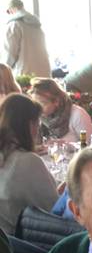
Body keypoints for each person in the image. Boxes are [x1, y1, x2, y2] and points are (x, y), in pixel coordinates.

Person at [0, 94, 57, 234]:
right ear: (29, 124)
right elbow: (53, 209)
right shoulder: (27, 162)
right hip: (18, 246)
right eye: (37, 123)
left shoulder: (6, 153)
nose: (37, 129)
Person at [29, 77, 92, 143]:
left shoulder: (78, 114)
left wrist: (66, 146)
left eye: (42, 104)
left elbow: (89, 145)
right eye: (36, 104)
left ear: (56, 101)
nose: (38, 109)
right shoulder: (38, 117)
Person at [3, 0, 50, 77]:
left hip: (25, 75)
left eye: (8, 12)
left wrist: (3, 72)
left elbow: (10, 53)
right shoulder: (37, 26)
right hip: (44, 73)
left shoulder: (14, 25)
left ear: (13, 9)